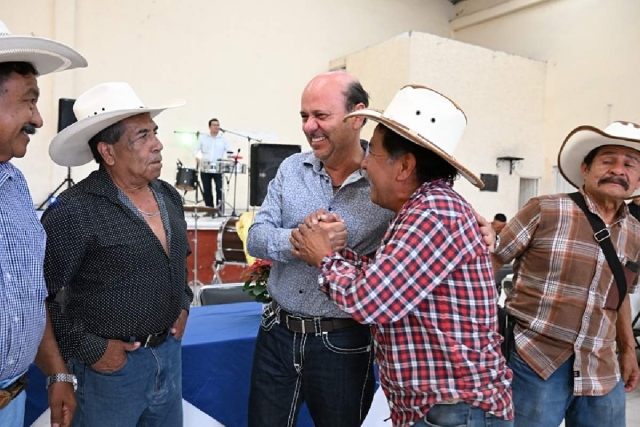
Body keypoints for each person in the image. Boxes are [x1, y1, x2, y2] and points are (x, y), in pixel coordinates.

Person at [246, 72, 497, 427]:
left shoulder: (430, 212)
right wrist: (308, 240)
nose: (309, 126)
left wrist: (324, 254)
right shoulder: (422, 205)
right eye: (304, 116)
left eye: (321, 115)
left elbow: (372, 298)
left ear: (357, 117)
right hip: (282, 333)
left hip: (441, 399)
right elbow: (259, 236)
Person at [42, 82, 192, 427]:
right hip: (108, 374)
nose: (158, 144)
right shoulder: (73, 211)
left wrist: (183, 302)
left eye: (154, 132)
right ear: (107, 152)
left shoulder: (168, 195)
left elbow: (178, 259)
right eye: (142, 136)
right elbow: (42, 298)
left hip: (168, 358)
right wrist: (93, 350)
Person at [492, 121, 640, 427]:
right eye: (608, 160)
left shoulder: (636, 234)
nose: (618, 170)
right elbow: (488, 266)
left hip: (601, 364)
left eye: (630, 164)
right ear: (585, 169)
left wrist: (628, 351)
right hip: (535, 360)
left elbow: (620, 294)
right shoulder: (545, 210)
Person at [0, 19, 87, 427]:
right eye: (28, 101)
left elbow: (28, 296)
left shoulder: (15, 186)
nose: (38, 118)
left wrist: (56, 371)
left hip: (15, 396)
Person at [194, 118, 231, 208]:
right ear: (209, 127)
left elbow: (230, 151)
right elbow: (196, 150)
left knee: (219, 189)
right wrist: (198, 157)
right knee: (207, 190)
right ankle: (209, 209)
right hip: (205, 167)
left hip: (218, 168)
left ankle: (219, 209)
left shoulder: (222, 139)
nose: (216, 127)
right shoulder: (203, 138)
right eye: (214, 125)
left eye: (217, 125)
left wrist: (229, 160)